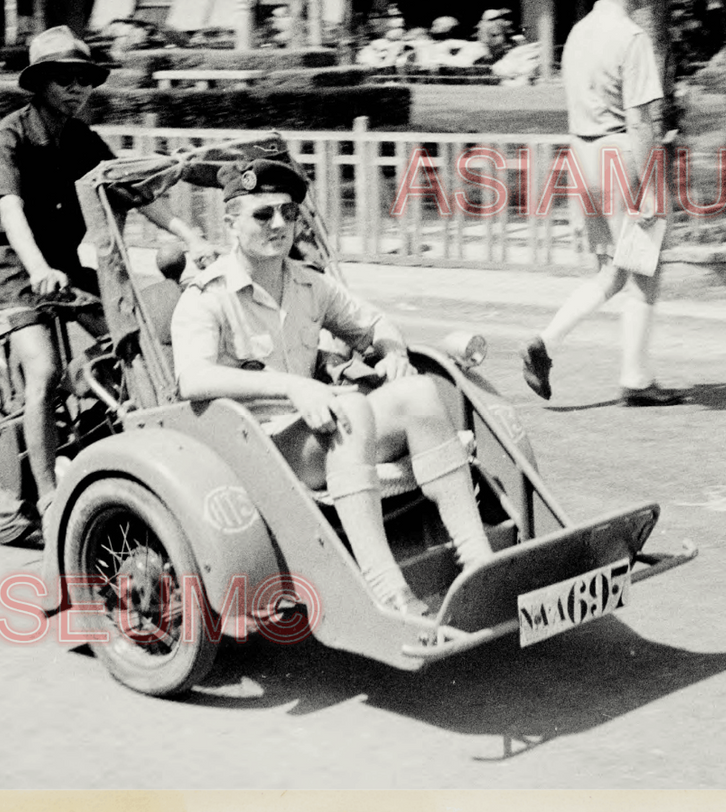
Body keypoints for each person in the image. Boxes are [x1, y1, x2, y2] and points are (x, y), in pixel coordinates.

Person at [171, 160, 495, 615]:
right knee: (353, 409)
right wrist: (292, 387)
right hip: (250, 448)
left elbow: (376, 323)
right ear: (231, 223)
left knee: (419, 393)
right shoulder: (207, 295)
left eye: (289, 212)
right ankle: (385, 588)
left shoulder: (309, 284)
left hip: (320, 433)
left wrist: (393, 354)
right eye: (263, 215)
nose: (280, 224)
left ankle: (478, 561)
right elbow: (193, 378)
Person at [0, 25, 215, 514]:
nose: (76, 88)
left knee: (133, 340)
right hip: (12, 275)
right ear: (39, 84)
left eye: (83, 78)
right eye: (64, 79)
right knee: (43, 369)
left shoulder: (83, 140)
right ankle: (46, 495)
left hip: (64, 269)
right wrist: (38, 268)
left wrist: (191, 238)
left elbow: (130, 190)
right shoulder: (8, 138)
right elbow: (11, 211)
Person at [521, 0, 687, 407]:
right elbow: (640, 120)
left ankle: (544, 342)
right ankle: (635, 378)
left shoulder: (577, 33)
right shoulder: (631, 37)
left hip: (582, 154)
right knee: (645, 270)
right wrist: (651, 184)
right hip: (619, 155)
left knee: (612, 271)